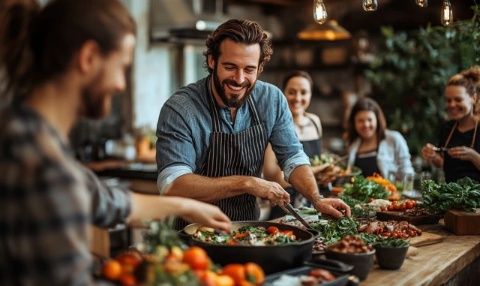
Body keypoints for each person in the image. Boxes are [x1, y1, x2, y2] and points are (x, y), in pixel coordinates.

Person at [0, 0, 231, 284]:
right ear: (89, 58)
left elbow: (107, 201)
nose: (121, 84)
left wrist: (186, 207)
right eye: (122, 66)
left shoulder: (20, 130)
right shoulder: (49, 170)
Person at [156, 19, 350, 229]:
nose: (239, 79)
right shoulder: (181, 108)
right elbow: (173, 185)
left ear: (259, 68)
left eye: (249, 69)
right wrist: (248, 183)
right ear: (212, 61)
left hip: (248, 232)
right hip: (193, 235)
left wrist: (317, 198)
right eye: (230, 67)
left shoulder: (272, 100)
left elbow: (293, 157)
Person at [263, 71, 331, 217]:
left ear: (310, 95)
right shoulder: (274, 125)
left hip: (313, 199)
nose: (298, 98)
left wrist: (326, 174)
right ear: (283, 94)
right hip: (286, 203)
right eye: (292, 92)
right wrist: (316, 171)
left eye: (303, 92)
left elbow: (317, 159)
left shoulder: (315, 122)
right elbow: (272, 176)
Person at [422, 66, 480, 183]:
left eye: (458, 100)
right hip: (451, 196)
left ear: (473, 98)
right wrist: (433, 157)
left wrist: (473, 156)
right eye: (448, 100)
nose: (452, 105)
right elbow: (446, 165)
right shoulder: (447, 128)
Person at [344, 97, 414, 178]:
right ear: (354, 123)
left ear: (377, 120)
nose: (366, 124)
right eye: (360, 121)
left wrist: (403, 189)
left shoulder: (394, 138)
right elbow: (346, 176)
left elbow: (407, 170)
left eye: (370, 120)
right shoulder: (352, 145)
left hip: (390, 190)